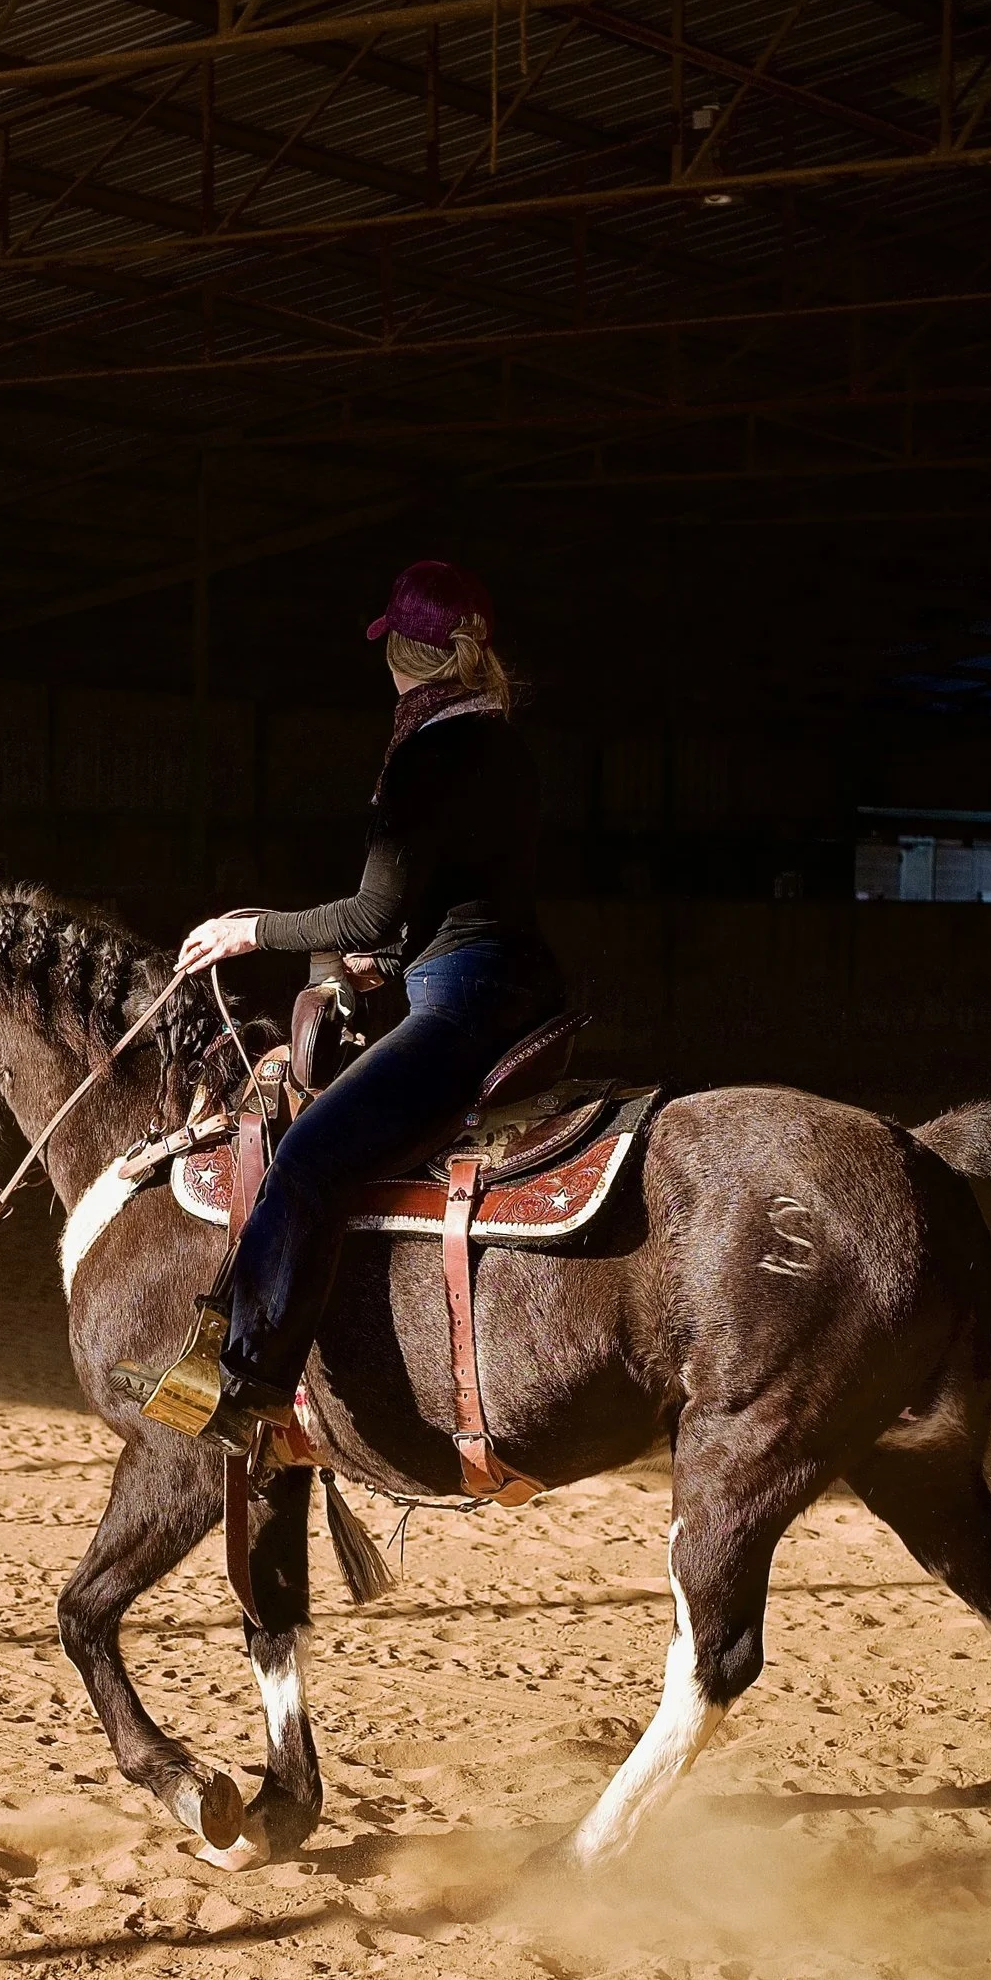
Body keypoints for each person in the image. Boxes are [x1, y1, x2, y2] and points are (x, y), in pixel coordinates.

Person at [123, 560, 565, 1455]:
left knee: (311, 1156)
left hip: (461, 1003)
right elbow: (464, 892)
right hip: (523, 988)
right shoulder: (508, 747)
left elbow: (372, 909)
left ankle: (246, 1379)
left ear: (403, 655)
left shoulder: (423, 757)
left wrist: (252, 931)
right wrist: (388, 955)